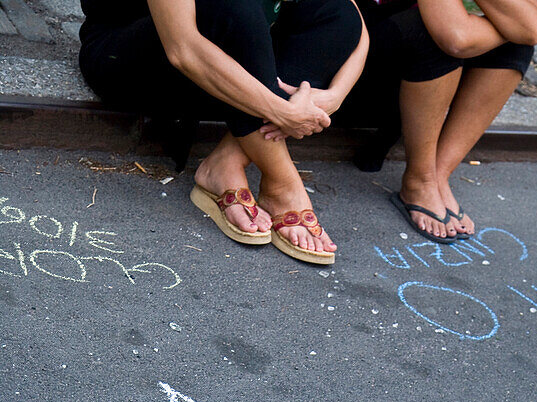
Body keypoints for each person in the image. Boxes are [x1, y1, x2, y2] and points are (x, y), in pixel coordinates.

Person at [78, 0, 368, 265]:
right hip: (137, 60)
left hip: (232, 73)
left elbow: (354, 22)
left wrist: (334, 96)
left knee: (335, 12)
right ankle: (282, 182)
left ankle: (228, 158)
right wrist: (280, 112)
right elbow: (183, 49)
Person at [345, 0, 537, 242]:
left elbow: (531, 28)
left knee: (515, 45)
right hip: (347, 74)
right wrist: (514, 29)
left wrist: (517, 30)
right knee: (432, 33)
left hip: (402, 62)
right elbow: (458, 39)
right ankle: (420, 181)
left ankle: (438, 176)